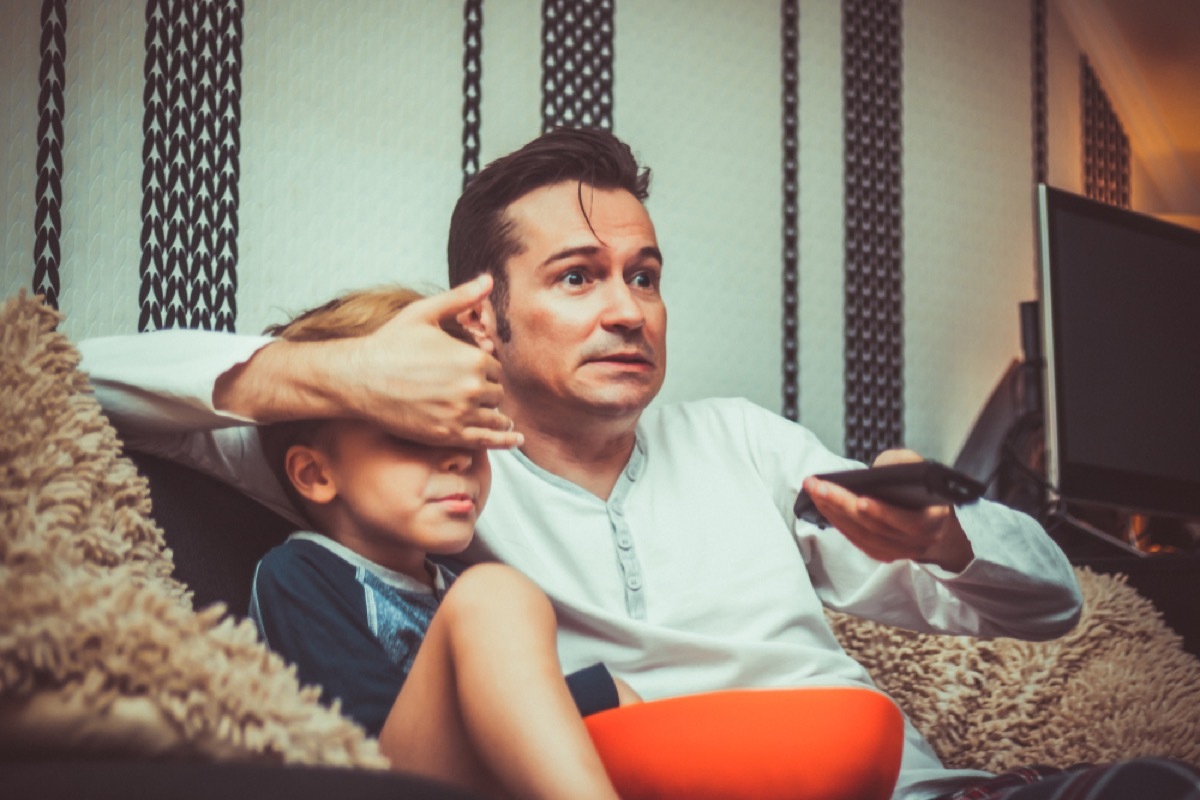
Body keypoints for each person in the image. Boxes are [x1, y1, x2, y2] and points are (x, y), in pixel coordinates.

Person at [80, 128, 1198, 799]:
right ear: (489, 312)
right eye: (577, 275)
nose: (627, 308)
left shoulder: (746, 442)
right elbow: (75, 376)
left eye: (645, 273)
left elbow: (1051, 607)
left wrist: (947, 539)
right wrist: (339, 376)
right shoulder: (434, 468)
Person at [246, 285, 632, 799]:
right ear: (315, 474)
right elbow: (356, 760)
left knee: (615, 694)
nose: (460, 458)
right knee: (494, 593)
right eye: (417, 433)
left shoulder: (449, 589)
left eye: (477, 432)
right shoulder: (299, 573)